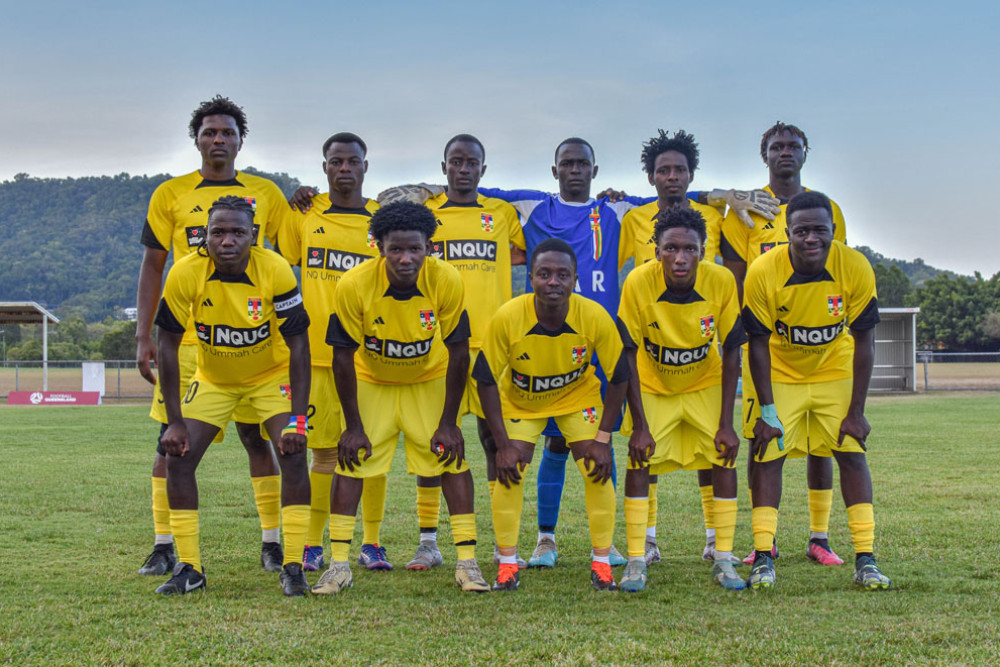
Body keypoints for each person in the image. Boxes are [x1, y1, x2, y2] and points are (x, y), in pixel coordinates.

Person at [135, 96, 293, 576]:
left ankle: (272, 542)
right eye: (210, 132)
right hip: (187, 341)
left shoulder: (266, 193)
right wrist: (144, 334)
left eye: (227, 132)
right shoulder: (170, 194)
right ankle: (165, 545)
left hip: (253, 340)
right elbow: (153, 265)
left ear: (241, 140)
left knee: (256, 438)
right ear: (197, 139)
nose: (218, 139)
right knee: (170, 441)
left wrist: (308, 196)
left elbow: (294, 248)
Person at [313, 201, 489, 594]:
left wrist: (449, 421)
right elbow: (341, 357)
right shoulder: (354, 284)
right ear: (379, 247)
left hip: (427, 378)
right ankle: (338, 565)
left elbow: (459, 352)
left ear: (430, 246)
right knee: (351, 460)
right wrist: (353, 425)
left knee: (452, 459)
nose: (406, 258)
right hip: (372, 379)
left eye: (415, 249)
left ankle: (467, 563)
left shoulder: (446, 280)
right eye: (396, 249)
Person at [153, 196, 312, 596]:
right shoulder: (185, 272)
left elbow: (299, 346)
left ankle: (293, 565)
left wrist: (298, 418)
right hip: (214, 379)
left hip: (268, 375)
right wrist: (173, 420)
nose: (227, 240)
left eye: (237, 232)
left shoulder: (274, 268)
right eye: (217, 232)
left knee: (292, 453)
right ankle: (190, 567)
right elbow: (168, 345)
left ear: (253, 236)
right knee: (178, 457)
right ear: (204, 237)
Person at [742, 191, 890, 591]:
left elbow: (865, 342)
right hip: (779, 368)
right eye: (801, 230)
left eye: (819, 230)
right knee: (768, 453)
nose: (811, 238)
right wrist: (768, 412)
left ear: (833, 231)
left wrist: (856, 411)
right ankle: (762, 556)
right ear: (787, 232)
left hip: (833, 366)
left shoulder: (855, 266)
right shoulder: (763, 270)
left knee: (851, 452)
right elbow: (756, 344)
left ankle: (866, 558)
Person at [719, 121, 848, 566]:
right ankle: (765, 539)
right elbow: (736, 274)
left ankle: (819, 536)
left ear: (805, 153)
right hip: (766, 347)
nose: (786, 152)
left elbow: (837, 271)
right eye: (777, 146)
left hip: (817, 346)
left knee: (822, 445)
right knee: (763, 440)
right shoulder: (747, 208)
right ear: (765, 155)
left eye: (794, 145)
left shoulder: (825, 208)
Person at [400, 134, 528, 571]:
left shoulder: (501, 213)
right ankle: (428, 540)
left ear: (483, 169)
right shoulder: (427, 214)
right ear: (444, 168)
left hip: (494, 345)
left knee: (497, 440)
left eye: (472, 162)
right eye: (456, 162)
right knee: (437, 439)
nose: (464, 169)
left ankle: (501, 543)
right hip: (438, 344)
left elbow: (523, 252)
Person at [474, 239, 628, 592]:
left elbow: (620, 375)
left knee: (596, 466)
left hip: (577, 398)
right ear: (531, 279)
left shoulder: (593, 316)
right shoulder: (509, 317)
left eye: (562, 274)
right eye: (544, 274)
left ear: (575, 280)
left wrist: (603, 439)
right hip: (523, 402)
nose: (553, 281)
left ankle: (602, 564)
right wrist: (502, 446)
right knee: (510, 469)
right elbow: (484, 379)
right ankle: (508, 565)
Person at [617, 129, 736, 566]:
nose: (681, 256)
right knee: (642, 455)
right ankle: (642, 546)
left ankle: (718, 545)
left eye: (680, 170)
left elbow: (734, 346)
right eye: (663, 170)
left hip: (703, 371)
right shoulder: (634, 223)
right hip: (652, 373)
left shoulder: (713, 219)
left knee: (717, 453)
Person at [274, 133, 391, 573]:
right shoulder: (304, 213)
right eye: (336, 162)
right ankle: (311, 544)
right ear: (324, 167)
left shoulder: (381, 219)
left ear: (366, 166)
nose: (344, 168)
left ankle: (373, 542)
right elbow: (283, 271)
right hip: (318, 357)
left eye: (353, 161)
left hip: (371, 358)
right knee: (322, 453)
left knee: (371, 452)